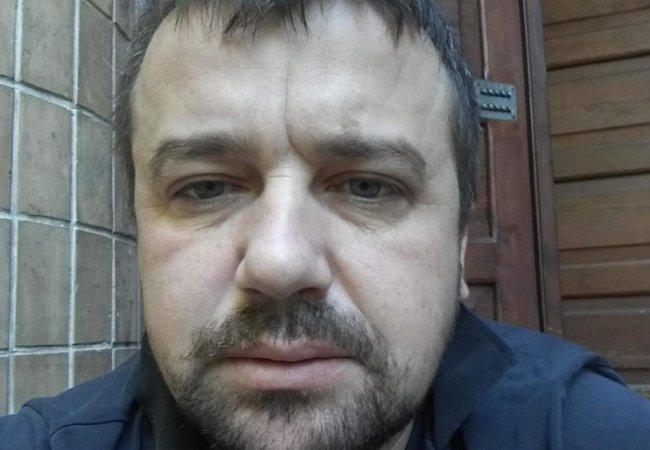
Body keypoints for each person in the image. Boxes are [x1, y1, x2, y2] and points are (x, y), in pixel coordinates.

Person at [2, 0, 650, 449]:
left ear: (458, 247)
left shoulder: (590, 432)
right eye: (205, 187)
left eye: (368, 186)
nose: (279, 262)